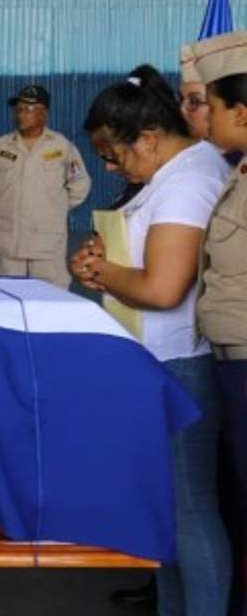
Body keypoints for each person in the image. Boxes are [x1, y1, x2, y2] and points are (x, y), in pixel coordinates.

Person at [70, 64, 231, 616]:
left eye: (114, 156)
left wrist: (103, 272)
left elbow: (163, 288)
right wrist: (101, 259)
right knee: (165, 508)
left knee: (188, 510)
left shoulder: (188, 181)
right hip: (156, 358)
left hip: (180, 362)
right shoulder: (165, 177)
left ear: (147, 137)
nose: (113, 168)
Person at [187, 31, 247, 616]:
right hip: (231, 358)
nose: (203, 115)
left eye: (211, 104)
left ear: (241, 113)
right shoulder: (238, 174)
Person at [0, 84, 90, 289]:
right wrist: (8, 202)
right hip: (8, 242)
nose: (21, 115)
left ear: (44, 113)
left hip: (46, 244)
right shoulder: (1, 146)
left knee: (50, 300)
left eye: (29, 109)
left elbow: (80, 185)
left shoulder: (61, 147)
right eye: (18, 109)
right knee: (8, 297)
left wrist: (54, 207)